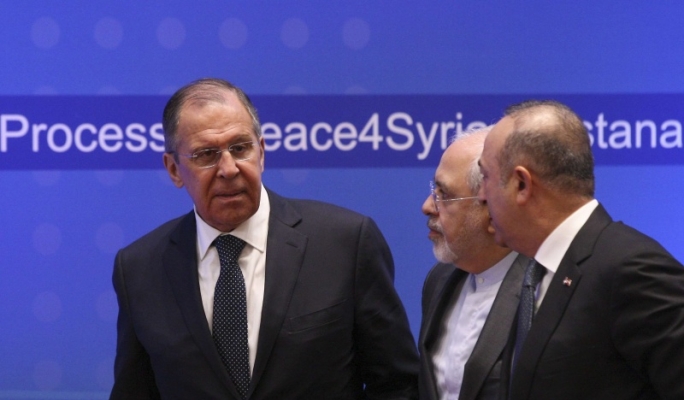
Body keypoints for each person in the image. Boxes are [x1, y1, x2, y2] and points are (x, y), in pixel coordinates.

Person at [109, 78, 419, 400]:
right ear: (174, 169)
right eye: (206, 154)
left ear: (261, 152)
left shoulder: (345, 243)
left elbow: (398, 385)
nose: (228, 169)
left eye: (240, 148)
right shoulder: (139, 269)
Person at [477, 99, 684, 400]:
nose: (480, 196)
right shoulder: (537, 273)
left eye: (485, 177)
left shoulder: (631, 270)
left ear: (522, 184)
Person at [419, 126, 529, 400]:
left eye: (444, 195)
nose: (428, 206)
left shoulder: (543, 289)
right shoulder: (439, 280)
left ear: (493, 210)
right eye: (433, 190)